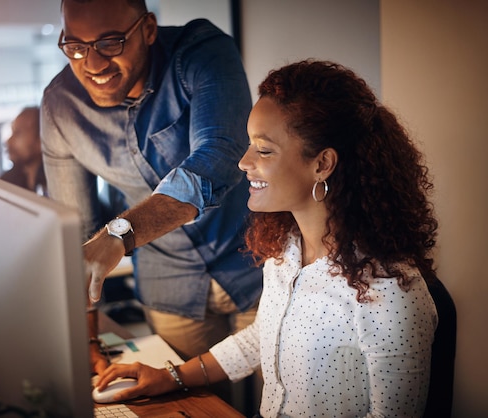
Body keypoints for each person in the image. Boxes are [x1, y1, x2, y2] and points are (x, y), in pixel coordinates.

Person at [94, 59, 440, 417]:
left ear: (322, 164)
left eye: (263, 150)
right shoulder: (286, 251)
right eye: (249, 145)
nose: (243, 162)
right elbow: (263, 336)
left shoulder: (392, 294)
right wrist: (171, 376)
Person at [41, 0, 261, 368]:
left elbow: (218, 157)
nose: (92, 64)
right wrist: (88, 339)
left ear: (148, 29)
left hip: (255, 263)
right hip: (169, 283)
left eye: (111, 42)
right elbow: (75, 231)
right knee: (191, 405)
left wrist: (119, 234)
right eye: (76, 47)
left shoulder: (202, 52)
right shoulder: (60, 107)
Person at [0, 106, 47, 195]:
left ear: (41, 139)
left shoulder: (57, 183)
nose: (8, 141)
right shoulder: (5, 183)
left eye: (17, 133)